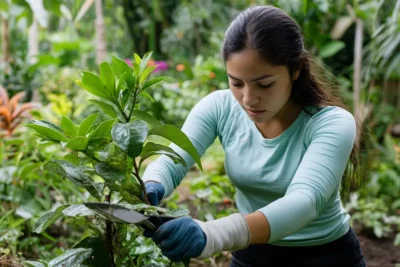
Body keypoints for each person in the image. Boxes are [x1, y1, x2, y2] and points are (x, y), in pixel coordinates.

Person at [142, 5, 366, 267]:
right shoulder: (219, 107)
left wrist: (211, 234)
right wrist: (151, 185)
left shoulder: (331, 123)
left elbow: (305, 201)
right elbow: (172, 160)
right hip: (253, 253)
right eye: (236, 82)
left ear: (295, 70)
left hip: (327, 256)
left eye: (264, 84)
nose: (248, 99)